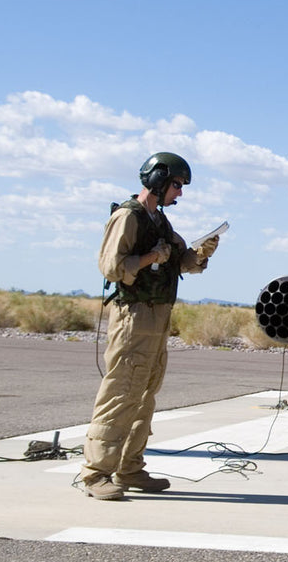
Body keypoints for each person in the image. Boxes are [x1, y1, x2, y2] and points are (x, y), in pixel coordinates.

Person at [79, 151, 220, 500]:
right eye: (176, 185)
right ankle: (97, 473)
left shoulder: (159, 221)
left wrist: (202, 253)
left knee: (145, 394)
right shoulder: (129, 217)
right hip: (134, 315)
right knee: (121, 391)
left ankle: (130, 468)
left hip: (157, 316)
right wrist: (150, 258)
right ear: (158, 179)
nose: (180, 193)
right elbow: (111, 266)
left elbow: (181, 260)